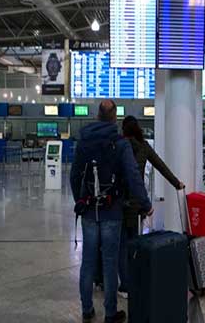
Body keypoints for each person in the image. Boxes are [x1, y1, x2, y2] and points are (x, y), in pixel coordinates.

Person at [71, 101, 153, 323]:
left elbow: (74, 175)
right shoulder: (120, 144)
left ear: (98, 115)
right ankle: (110, 313)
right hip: (112, 211)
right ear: (114, 117)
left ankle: (87, 309)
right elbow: (133, 176)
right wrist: (146, 204)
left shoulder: (84, 141)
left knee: (88, 261)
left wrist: (80, 200)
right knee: (110, 262)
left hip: (89, 211)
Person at [117, 115, 185, 298]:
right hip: (137, 202)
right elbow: (161, 166)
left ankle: (124, 285)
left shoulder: (119, 145)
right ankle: (133, 279)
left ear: (124, 129)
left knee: (121, 245)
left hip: (119, 201)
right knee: (133, 242)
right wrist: (176, 183)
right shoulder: (144, 146)